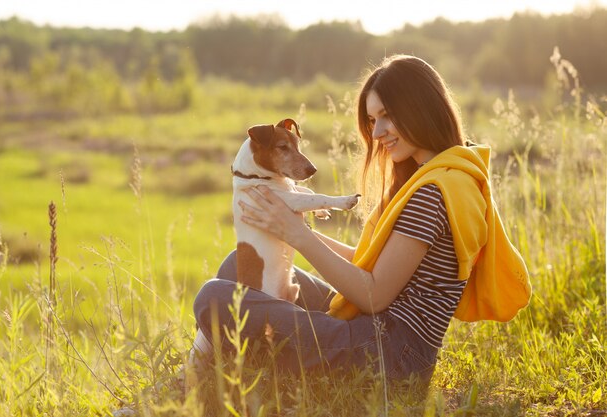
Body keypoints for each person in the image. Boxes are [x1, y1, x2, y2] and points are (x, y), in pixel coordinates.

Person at [192, 54, 530, 384]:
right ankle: (220, 375)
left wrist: (297, 234)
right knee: (236, 265)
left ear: (420, 107)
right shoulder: (439, 175)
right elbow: (375, 268)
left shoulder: (436, 192)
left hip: (389, 356)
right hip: (378, 333)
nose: (378, 131)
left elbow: (374, 295)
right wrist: (286, 226)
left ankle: (217, 378)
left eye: (387, 115)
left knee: (213, 298)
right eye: (372, 120)